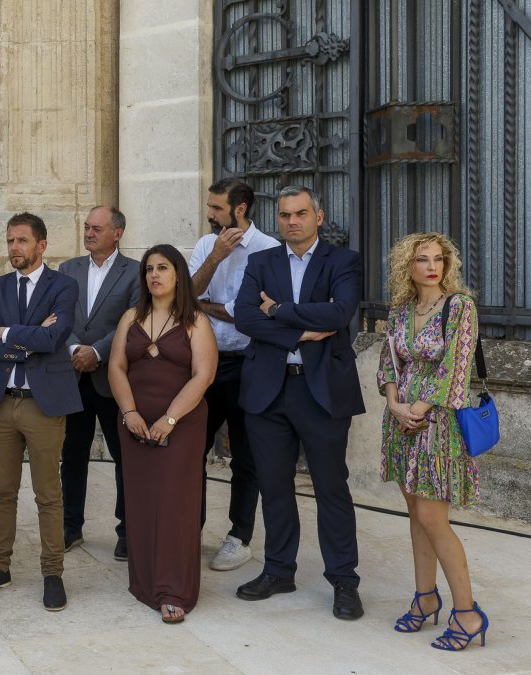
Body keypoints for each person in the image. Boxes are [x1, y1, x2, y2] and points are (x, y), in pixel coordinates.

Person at [233, 185, 366, 621]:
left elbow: (339, 314)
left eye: (301, 213)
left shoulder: (343, 261)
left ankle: (344, 580)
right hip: (269, 391)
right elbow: (245, 316)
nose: (292, 221)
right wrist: (296, 328)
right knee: (273, 486)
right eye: (286, 215)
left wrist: (279, 310)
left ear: (319, 216)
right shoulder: (260, 261)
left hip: (321, 391)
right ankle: (278, 570)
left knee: (331, 487)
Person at [377, 232, 488, 651]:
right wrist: (394, 405)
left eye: (438, 259)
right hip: (401, 422)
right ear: (409, 266)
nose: (432, 267)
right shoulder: (401, 310)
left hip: (436, 426)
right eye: (422, 259)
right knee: (415, 515)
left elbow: (455, 371)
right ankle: (425, 597)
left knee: (434, 519)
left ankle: (467, 613)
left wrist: (417, 409)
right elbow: (389, 363)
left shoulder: (459, 307)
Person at [0, 212, 82, 612]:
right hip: (2, 403)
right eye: (10, 240)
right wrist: (23, 341)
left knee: (49, 494)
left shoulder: (63, 286)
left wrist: (7, 331)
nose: (14, 248)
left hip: (44, 405)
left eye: (22, 241)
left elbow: (56, 337)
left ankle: (53, 573)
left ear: (41, 245)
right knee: (2, 492)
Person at [108, 244, 216, 623]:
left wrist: (169, 419)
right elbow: (117, 368)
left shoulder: (196, 321)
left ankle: (173, 588)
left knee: (174, 504)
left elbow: (204, 375)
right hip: (135, 424)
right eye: (149, 269)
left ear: (178, 275)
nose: (154, 275)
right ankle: (145, 581)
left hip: (181, 424)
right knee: (141, 500)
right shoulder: (130, 318)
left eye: (163, 268)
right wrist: (129, 412)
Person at [188, 178, 280, 571]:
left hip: (249, 361)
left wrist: (209, 305)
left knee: (246, 455)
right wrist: (214, 261)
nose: (209, 214)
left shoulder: (269, 250)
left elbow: (249, 312)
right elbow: (185, 294)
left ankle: (239, 538)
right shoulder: (206, 246)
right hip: (204, 362)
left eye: (216, 208)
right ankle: (190, 528)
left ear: (240, 209)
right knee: (192, 451)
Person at [58, 206, 139, 560]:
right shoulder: (68, 269)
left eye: (97, 228)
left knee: (125, 457)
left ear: (117, 233)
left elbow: (134, 321)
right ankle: (70, 526)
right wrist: (76, 348)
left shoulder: (136, 273)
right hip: (73, 376)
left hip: (112, 378)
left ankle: (127, 530)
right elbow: (59, 315)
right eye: (87, 227)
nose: (89, 233)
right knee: (71, 455)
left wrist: (98, 352)